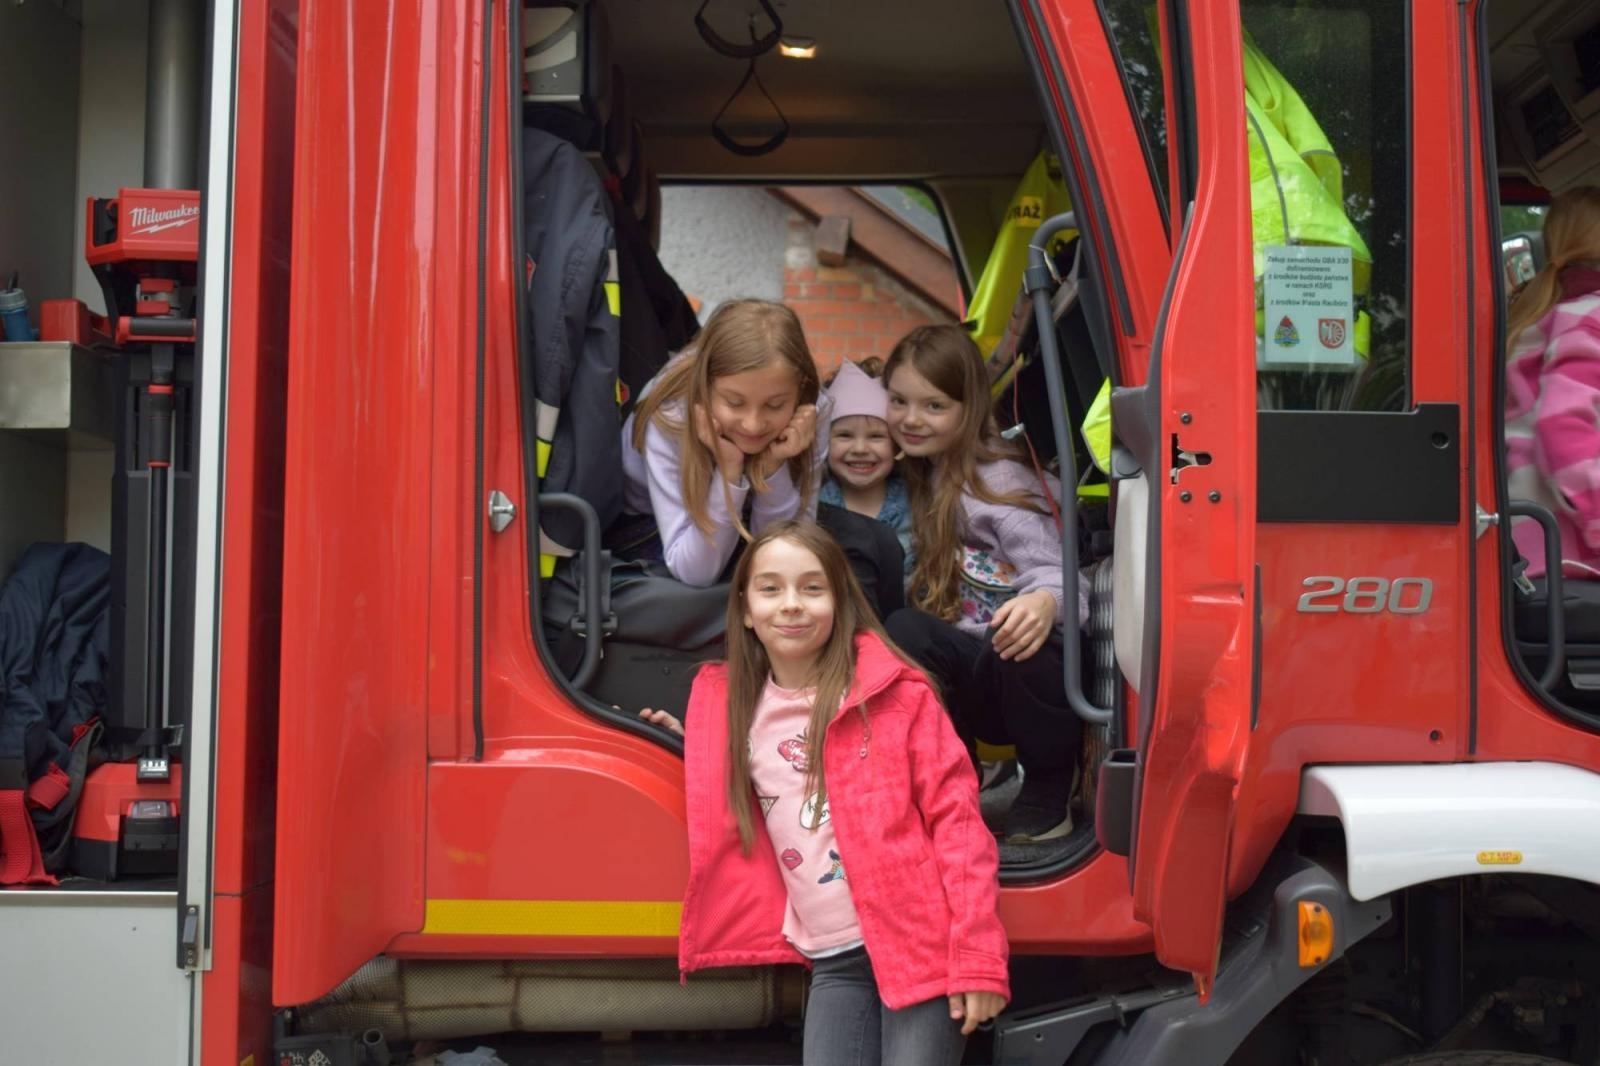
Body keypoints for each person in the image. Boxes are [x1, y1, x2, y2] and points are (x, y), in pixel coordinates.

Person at [639, 521, 1008, 1066]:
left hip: (921, 947)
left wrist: (977, 959)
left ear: (840, 602)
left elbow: (959, 828)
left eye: (812, 588)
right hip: (832, 959)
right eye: (771, 588)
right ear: (744, 608)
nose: (792, 604)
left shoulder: (898, 696)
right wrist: (687, 745)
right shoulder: (726, 709)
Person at [879, 324, 1082, 844]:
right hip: (965, 679)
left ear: (969, 409)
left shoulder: (996, 486)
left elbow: (1060, 575)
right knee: (904, 628)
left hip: (1013, 677)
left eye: (933, 406)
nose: (910, 419)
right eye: (898, 401)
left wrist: (1042, 600)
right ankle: (951, 785)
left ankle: (1048, 788)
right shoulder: (917, 474)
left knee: (1022, 634)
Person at [620, 299, 827, 587]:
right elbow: (695, 572)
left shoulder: (812, 411)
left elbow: (784, 556)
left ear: (802, 388)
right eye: (734, 402)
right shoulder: (669, 416)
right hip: (652, 525)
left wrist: (772, 471)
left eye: (775, 405)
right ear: (704, 385)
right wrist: (729, 471)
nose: (753, 424)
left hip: (752, 513)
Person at [1506, 186, 1600, 578]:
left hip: (1530, 552)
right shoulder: (1589, 314)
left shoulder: (1535, 318)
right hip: (1573, 558)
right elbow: (1562, 424)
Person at [820, 358, 915, 581]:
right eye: (845, 435)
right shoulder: (814, 507)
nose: (860, 449)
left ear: (896, 443)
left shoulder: (918, 506)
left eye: (876, 436)